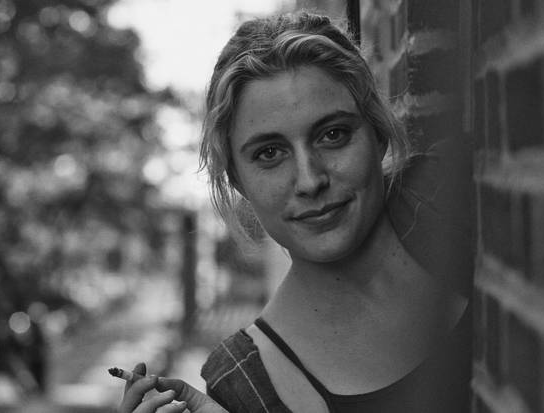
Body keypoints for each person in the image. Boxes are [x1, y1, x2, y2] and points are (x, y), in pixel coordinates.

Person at [118, 11, 470, 413]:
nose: (309, 180)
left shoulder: (448, 196)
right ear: (238, 181)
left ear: (377, 133)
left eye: (333, 134)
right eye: (270, 154)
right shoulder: (250, 385)